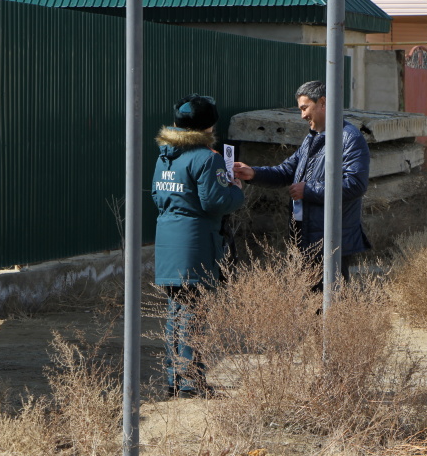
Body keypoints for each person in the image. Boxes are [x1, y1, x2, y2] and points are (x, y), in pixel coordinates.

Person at [233, 80, 370, 286]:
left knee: (329, 302)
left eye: (305, 108)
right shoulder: (312, 138)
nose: (303, 115)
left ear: (323, 103)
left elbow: (355, 184)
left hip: (329, 240)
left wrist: (309, 190)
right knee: (307, 302)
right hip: (304, 236)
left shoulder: (350, 138)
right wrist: (253, 173)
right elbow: (287, 171)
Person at [152, 94, 244, 397]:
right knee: (194, 314)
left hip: (167, 242)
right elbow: (215, 202)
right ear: (210, 125)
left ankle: (174, 380)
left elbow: (157, 197)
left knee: (176, 312)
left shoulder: (165, 155)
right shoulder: (208, 158)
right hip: (195, 245)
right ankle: (192, 384)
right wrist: (236, 191)